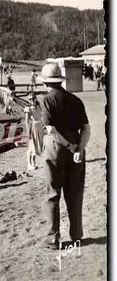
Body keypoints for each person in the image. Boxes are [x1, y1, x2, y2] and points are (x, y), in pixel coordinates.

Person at [39, 63, 91, 249]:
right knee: (75, 193)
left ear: (45, 82)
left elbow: (51, 130)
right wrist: (78, 148)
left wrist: (68, 146)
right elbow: (86, 129)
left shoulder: (46, 100)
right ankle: (76, 235)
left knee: (53, 194)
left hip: (56, 147)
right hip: (76, 144)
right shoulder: (75, 100)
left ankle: (53, 238)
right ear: (60, 80)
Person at [24, 94, 44, 170]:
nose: (32, 100)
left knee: (37, 145)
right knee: (31, 145)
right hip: (33, 127)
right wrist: (28, 132)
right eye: (30, 99)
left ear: (35, 99)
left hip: (39, 126)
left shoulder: (38, 107)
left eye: (33, 99)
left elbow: (42, 116)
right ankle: (29, 164)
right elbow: (27, 121)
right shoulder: (28, 108)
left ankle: (34, 163)